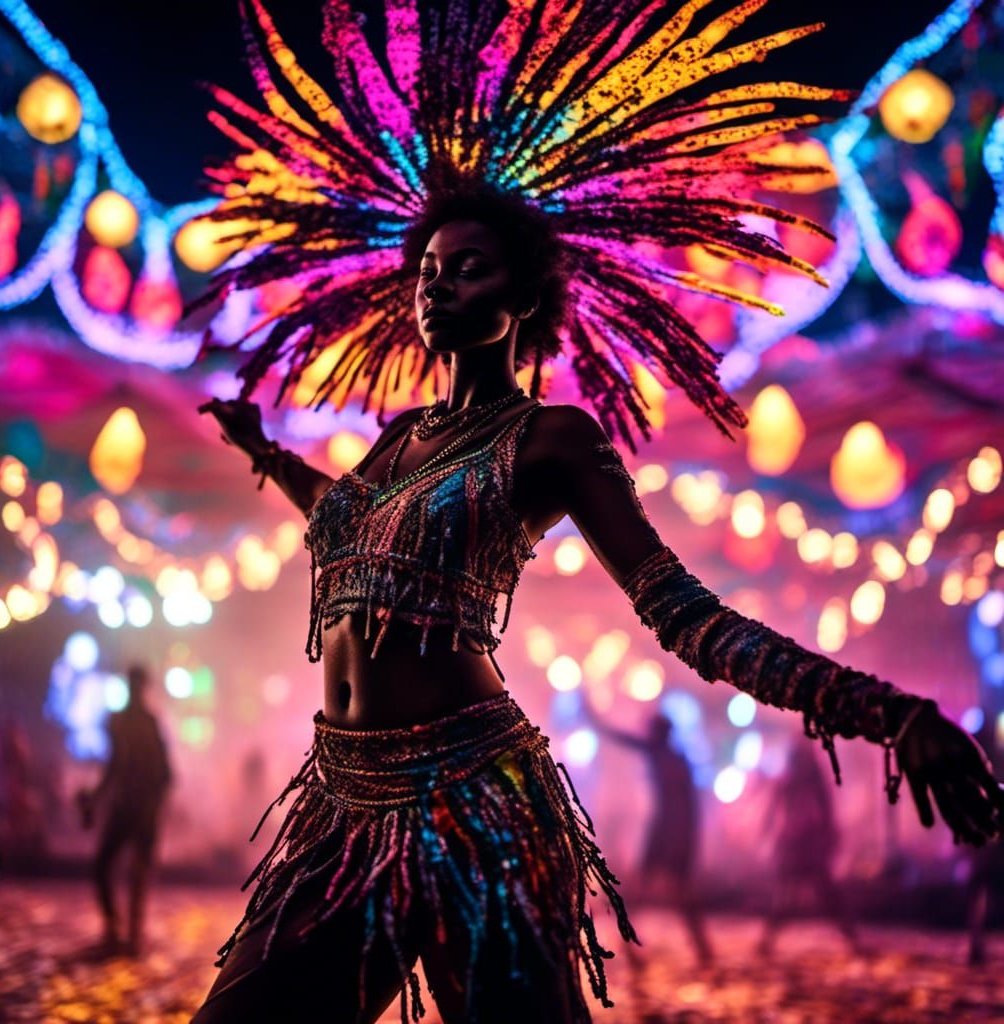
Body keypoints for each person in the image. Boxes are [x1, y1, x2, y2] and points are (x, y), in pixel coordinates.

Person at [190, 3, 1004, 1022]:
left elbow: (687, 617)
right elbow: (346, 523)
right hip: (338, 807)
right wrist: (267, 455)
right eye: (428, 272)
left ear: (528, 294)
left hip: (471, 810)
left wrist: (889, 713)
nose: (438, 288)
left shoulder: (552, 441)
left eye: (469, 268)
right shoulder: (398, 441)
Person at [587, 707, 713, 965]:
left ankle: (696, 949)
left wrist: (593, 717)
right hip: (671, 830)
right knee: (663, 890)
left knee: (662, 890)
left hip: (670, 831)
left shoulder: (665, 757)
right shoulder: (672, 757)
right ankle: (699, 949)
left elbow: (686, 804)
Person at [78, 664, 171, 955]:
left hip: (140, 806)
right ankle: (120, 928)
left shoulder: (143, 723)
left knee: (134, 869)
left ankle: (130, 932)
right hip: (131, 805)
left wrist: (153, 805)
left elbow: (162, 771)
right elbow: (117, 765)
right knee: (111, 865)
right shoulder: (128, 722)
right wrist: (96, 798)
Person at [756, 737, 860, 956]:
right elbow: (773, 811)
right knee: (787, 897)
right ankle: (766, 942)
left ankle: (851, 939)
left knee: (826, 896)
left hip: (809, 846)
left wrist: (828, 838)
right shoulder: (788, 781)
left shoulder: (814, 781)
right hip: (795, 846)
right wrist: (767, 831)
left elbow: (827, 814)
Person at [966, 715, 1004, 965]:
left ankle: (976, 943)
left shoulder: (973, 761)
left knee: (981, 886)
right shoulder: (992, 761)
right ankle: (976, 943)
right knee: (982, 885)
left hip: (986, 834)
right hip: (989, 834)